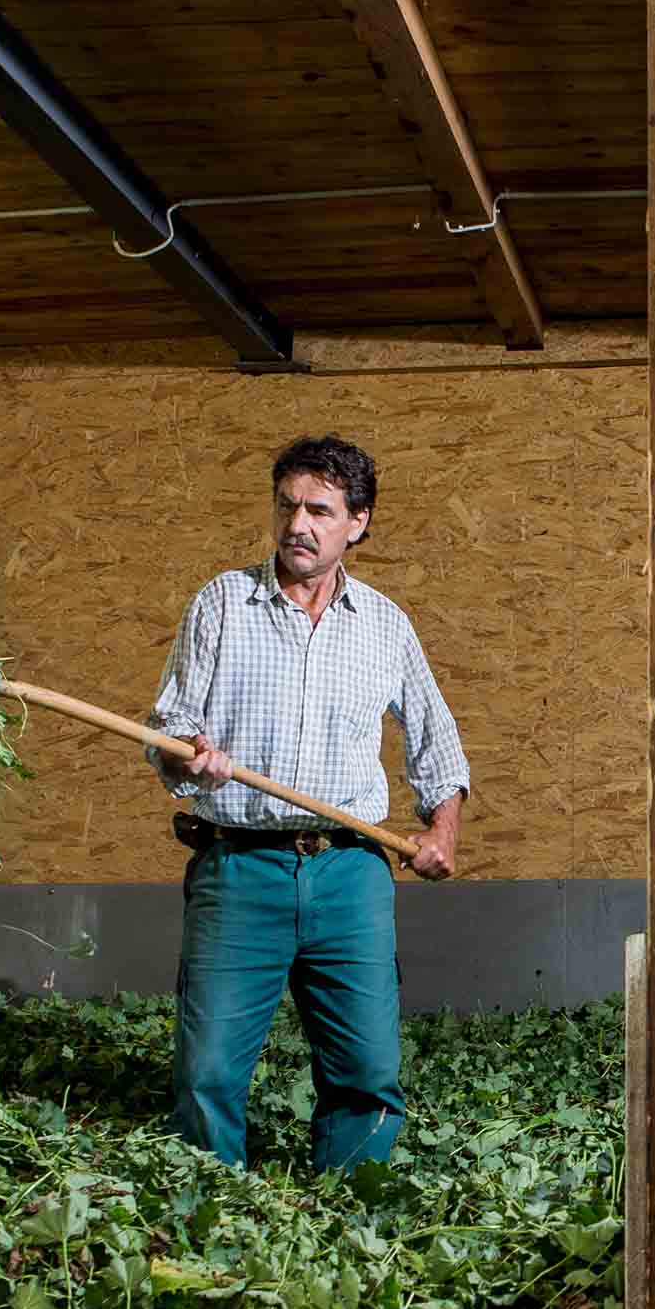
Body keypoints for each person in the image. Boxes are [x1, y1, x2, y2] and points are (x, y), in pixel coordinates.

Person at [147, 434, 469, 1172]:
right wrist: (193, 753)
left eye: (320, 510)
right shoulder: (223, 604)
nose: (299, 524)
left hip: (349, 872)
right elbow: (166, 729)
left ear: (357, 522)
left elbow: (437, 746)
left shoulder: (384, 625)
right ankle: (209, 1217)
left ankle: (351, 1217)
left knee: (366, 1070)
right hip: (239, 868)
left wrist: (442, 830)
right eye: (289, 506)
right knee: (209, 1072)